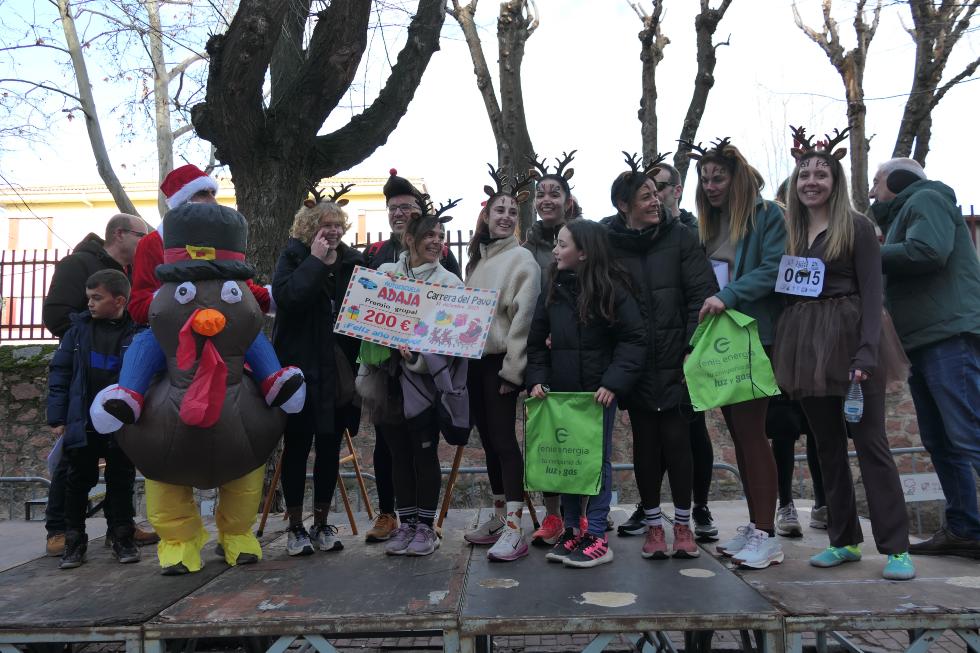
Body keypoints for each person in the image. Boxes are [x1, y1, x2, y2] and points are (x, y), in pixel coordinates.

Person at [773, 130, 915, 579]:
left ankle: (896, 548)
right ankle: (843, 539)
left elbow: (873, 294)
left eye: (821, 174)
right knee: (827, 445)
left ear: (836, 182)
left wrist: (867, 352)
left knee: (871, 443)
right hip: (805, 344)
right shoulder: (791, 232)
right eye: (804, 175)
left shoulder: (857, 227)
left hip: (852, 339)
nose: (811, 181)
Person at [604, 154, 718, 559]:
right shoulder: (608, 244)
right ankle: (654, 526)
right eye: (645, 196)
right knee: (646, 445)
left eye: (656, 193)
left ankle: (683, 525)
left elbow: (701, 295)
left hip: (677, 360)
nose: (655, 201)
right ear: (624, 205)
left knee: (678, 441)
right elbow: (600, 302)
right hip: (635, 362)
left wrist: (690, 349)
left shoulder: (682, 237)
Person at [870, 157, 980, 560]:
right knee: (941, 441)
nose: (872, 191)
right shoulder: (905, 213)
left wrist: (868, 253)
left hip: (947, 336)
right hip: (924, 339)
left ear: (900, 179)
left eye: (877, 181)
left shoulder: (926, 198)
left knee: (969, 432)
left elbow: (927, 251)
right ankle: (965, 529)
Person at [688, 137, 786, 569]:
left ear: (736, 177)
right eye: (705, 179)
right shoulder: (708, 223)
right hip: (722, 340)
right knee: (739, 436)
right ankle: (755, 524)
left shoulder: (768, 215)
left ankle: (767, 534)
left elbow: (773, 267)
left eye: (719, 178)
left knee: (752, 434)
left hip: (755, 336)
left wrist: (727, 296)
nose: (711, 186)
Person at [526, 220, 646, 568]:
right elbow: (537, 341)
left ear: (584, 252)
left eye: (562, 244)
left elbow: (633, 339)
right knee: (567, 461)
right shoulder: (553, 289)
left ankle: (596, 535)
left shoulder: (611, 289)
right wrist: (538, 379)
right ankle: (571, 529)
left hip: (596, 396)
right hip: (561, 396)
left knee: (595, 462)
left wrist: (612, 383)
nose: (555, 250)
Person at [41, 213, 154, 557]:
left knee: (121, 470)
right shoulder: (79, 264)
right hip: (84, 384)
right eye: (141, 235)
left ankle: (120, 528)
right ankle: (61, 531)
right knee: (75, 469)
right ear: (120, 234)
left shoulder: (130, 275)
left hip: (116, 397)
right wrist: (87, 337)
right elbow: (56, 314)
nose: (145, 242)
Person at [360, 170, 460, 543]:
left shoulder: (449, 280)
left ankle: (426, 527)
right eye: (429, 236)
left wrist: (418, 353)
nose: (436, 242)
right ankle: (404, 523)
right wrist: (388, 341)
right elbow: (365, 318)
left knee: (424, 452)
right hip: (387, 379)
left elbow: (454, 335)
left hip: (424, 383)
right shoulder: (383, 270)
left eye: (440, 236)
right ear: (410, 239)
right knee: (397, 452)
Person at [271, 189, 363, 556]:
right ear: (310, 228)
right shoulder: (293, 257)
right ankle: (295, 526)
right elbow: (289, 299)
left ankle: (322, 522)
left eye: (338, 225)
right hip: (302, 371)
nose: (334, 231)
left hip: (338, 374)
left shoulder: (353, 262)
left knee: (329, 448)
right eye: (326, 225)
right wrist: (315, 262)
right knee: (296, 448)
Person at [462, 167, 541, 561]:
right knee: (489, 442)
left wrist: (513, 371)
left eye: (512, 211)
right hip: (474, 364)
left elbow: (523, 319)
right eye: (499, 210)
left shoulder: (522, 260)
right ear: (487, 215)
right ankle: (498, 516)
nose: (507, 216)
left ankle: (514, 528)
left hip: (500, 365)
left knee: (505, 442)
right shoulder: (476, 262)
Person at [47, 269, 141, 569]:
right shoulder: (78, 331)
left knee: (121, 480)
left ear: (119, 301)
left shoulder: (136, 333)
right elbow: (60, 373)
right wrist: (57, 417)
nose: (89, 303)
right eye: (89, 298)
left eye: (97, 298)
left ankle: (122, 537)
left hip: (120, 423)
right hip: (83, 421)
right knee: (77, 482)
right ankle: (74, 541)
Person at [128, 164, 270, 325]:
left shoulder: (224, 240)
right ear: (183, 202)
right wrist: (181, 294)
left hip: (227, 328)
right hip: (171, 330)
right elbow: (138, 308)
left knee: (263, 344)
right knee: (141, 344)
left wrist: (278, 297)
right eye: (203, 193)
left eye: (212, 193)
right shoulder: (153, 242)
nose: (213, 201)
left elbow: (245, 288)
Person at [522, 151, 578, 545]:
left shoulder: (584, 240)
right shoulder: (525, 249)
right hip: (540, 352)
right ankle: (553, 514)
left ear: (567, 200)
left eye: (554, 193)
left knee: (579, 435)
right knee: (546, 436)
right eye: (541, 193)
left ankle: (584, 514)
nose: (546, 199)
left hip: (577, 351)